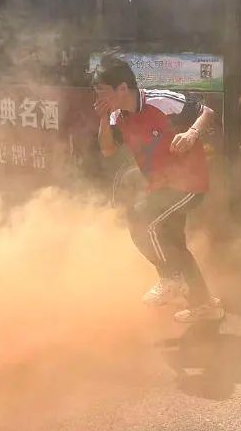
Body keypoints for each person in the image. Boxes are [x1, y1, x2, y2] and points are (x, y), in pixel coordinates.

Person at [93, 55, 223, 323]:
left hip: (189, 181)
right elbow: (107, 149)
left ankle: (170, 279)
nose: (99, 98)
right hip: (161, 185)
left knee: (143, 219)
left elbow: (207, 113)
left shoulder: (160, 101)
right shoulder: (117, 116)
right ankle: (204, 305)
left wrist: (191, 134)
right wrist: (104, 118)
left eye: (103, 91)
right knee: (173, 244)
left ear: (122, 88)